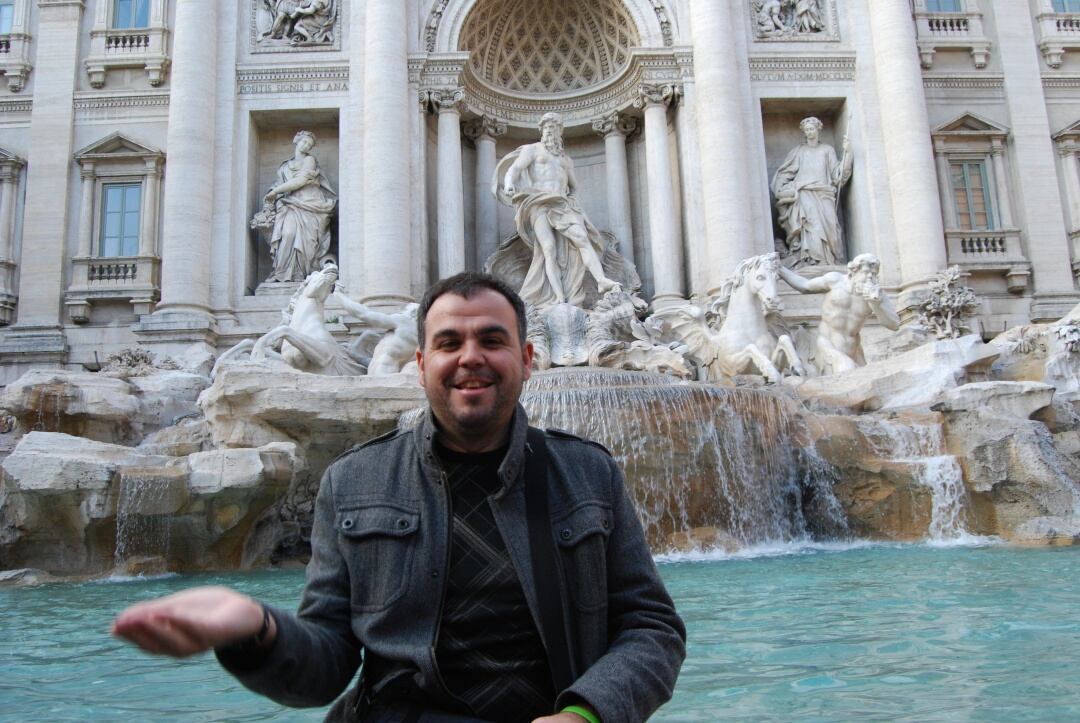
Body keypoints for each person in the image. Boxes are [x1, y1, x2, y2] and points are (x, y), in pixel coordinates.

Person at [113, 271, 686, 723]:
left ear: (528, 359)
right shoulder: (354, 481)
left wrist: (587, 713)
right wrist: (256, 630)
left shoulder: (588, 473)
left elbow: (652, 628)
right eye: (448, 342)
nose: (470, 357)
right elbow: (326, 665)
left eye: (492, 340)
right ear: (421, 365)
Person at [495, 113, 622, 308]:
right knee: (548, 249)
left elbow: (574, 186)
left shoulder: (565, 160)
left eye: (554, 128)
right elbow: (515, 169)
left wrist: (573, 203)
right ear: (542, 130)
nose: (550, 131)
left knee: (582, 238)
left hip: (561, 204)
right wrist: (509, 183)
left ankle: (601, 280)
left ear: (559, 132)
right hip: (538, 203)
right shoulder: (532, 150)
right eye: (547, 127)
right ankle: (559, 297)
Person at [778, 253, 900, 375]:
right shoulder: (835, 280)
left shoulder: (877, 294)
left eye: (873, 274)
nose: (869, 277)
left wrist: (875, 304)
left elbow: (894, 324)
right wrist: (780, 269)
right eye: (866, 272)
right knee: (848, 372)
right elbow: (805, 286)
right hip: (827, 344)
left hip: (854, 350)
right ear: (854, 271)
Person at [771, 117, 852, 267]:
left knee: (831, 229)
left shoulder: (827, 150)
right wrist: (782, 188)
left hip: (824, 193)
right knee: (811, 226)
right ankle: (813, 261)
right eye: (807, 130)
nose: (809, 132)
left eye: (812, 129)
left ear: (818, 129)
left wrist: (848, 154)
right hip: (804, 192)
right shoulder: (799, 151)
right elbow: (784, 173)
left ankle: (830, 260)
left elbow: (837, 175)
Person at [262, 130, 338, 282]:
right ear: (296, 140)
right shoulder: (285, 166)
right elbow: (280, 183)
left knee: (306, 241)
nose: (306, 146)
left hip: (310, 204)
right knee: (288, 234)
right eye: (304, 142)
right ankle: (282, 273)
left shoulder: (309, 160)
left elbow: (300, 181)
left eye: (309, 145)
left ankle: (301, 273)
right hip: (290, 203)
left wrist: (276, 191)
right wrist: (272, 192)